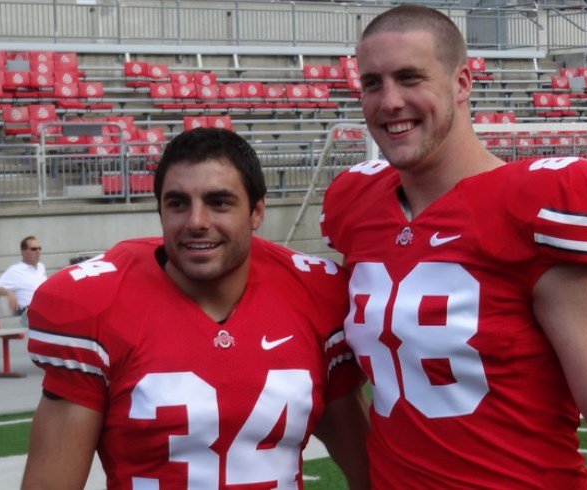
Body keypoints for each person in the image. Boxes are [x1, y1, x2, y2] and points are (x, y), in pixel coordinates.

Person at [320, 5, 587, 489]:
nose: (389, 101)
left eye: (410, 77)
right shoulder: (356, 206)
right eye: (372, 83)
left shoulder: (532, 209)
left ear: (462, 83)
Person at [22, 128, 370, 489]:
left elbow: (370, 472)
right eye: (177, 203)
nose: (196, 222)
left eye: (219, 202)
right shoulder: (98, 306)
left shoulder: (314, 296)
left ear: (256, 211)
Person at [0, 235, 47, 313]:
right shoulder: (16, 270)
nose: (38, 252)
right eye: (34, 249)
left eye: (39, 249)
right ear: (23, 252)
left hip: (45, 310)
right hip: (30, 314)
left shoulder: (41, 267)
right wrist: (8, 293)